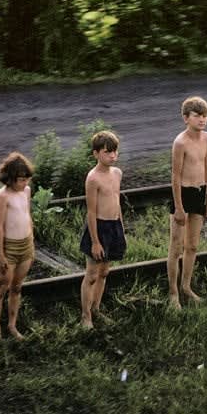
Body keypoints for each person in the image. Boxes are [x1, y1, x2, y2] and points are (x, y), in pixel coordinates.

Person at [167, 96, 207, 309]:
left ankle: (186, 286)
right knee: (176, 247)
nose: (202, 119)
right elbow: (175, 176)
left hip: (200, 193)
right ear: (186, 118)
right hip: (182, 195)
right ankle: (173, 293)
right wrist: (178, 207)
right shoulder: (180, 142)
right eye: (197, 116)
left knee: (192, 245)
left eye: (204, 115)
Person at [80, 130, 126, 329]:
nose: (113, 156)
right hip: (98, 228)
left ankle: (97, 309)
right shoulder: (93, 178)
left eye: (115, 152)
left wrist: (121, 229)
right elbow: (91, 212)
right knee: (91, 274)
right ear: (96, 154)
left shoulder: (117, 173)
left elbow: (117, 202)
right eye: (108, 152)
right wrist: (96, 241)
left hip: (114, 226)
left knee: (104, 272)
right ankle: (86, 316)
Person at [0, 151, 35, 340]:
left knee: (17, 287)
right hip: (10, 247)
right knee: (2, 287)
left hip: (26, 245)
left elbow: (27, 216)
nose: (24, 184)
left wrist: (32, 242)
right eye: (20, 180)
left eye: (26, 180)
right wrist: (1, 254)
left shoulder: (26, 191)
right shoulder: (3, 196)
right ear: (10, 179)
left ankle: (12, 325)